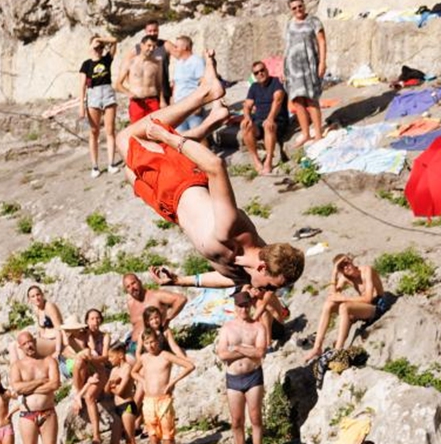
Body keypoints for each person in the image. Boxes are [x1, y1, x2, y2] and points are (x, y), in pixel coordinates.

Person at [116, 54, 305, 290]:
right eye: (270, 286)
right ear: (262, 268)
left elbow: (229, 278)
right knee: (125, 138)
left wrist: (180, 280)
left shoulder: (249, 270)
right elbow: (216, 166)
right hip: (178, 183)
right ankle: (204, 94)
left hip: (169, 208)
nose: (268, 291)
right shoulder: (230, 230)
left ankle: (212, 120)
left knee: (128, 171)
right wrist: (169, 137)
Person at [132, 328, 195, 444]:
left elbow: (190, 365)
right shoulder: (144, 358)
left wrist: (173, 381)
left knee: (168, 442)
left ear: (158, 341)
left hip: (164, 401)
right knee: (153, 443)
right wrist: (142, 380)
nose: (150, 345)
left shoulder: (165, 355)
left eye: (153, 342)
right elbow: (133, 372)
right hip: (149, 402)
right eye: (147, 343)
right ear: (143, 344)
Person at [216, 290, 268, 444]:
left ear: (251, 305)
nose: (243, 309)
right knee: (237, 421)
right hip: (234, 378)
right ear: (235, 307)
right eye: (240, 305)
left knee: (255, 418)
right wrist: (247, 349)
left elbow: (260, 353)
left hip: (253, 375)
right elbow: (222, 354)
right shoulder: (227, 328)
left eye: (246, 305)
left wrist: (237, 348)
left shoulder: (258, 327)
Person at [9, 331, 63, 444]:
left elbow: (55, 384)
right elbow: (17, 388)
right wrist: (40, 383)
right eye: (25, 344)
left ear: (35, 341)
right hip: (27, 415)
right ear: (20, 347)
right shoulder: (17, 366)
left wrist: (29, 389)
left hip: (47, 412)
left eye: (30, 342)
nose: (29, 346)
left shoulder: (48, 361)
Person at [304, 254, 388, 362]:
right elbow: (332, 296)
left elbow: (368, 298)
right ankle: (317, 347)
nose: (346, 268)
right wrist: (334, 273)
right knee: (328, 305)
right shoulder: (345, 277)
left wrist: (343, 298)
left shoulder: (366, 270)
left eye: (346, 264)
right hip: (364, 308)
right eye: (341, 267)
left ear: (351, 261)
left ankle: (338, 350)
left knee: (344, 306)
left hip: (377, 306)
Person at [284, 0, 327, 146]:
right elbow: (287, 47)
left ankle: (318, 134)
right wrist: (284, 70)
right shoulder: (290, 23)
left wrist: (322, 62)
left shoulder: (314, 21)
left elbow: (322, 42)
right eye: (294, 8)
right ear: (291, 10)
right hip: (293, 67)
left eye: (299, 6)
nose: (298, 10)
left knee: (311, 99)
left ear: (304, 5)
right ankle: (306, 133)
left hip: (309, 65)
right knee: (297, 101)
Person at [79, 34, 121, 178]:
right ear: (90, 47)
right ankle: (95, 165)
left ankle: (111, 163)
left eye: (101, 47)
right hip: (93, 96)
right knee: (94, 131)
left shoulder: (107, 59)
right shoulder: (86, 64)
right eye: (96, 47)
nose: (99, 49)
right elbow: (82, 86)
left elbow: (115, 41)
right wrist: (81, 105)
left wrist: (101, 40)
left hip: (108, 94)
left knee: (110, 130)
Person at [68, 308, 110, 444]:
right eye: (92, 318)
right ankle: (77, 392)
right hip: (86, 370)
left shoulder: (105, 337)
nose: (95, 321)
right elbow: (69, 344)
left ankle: (96, 434)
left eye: (97, 318)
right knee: (79, 360)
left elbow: (104, 357)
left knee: (90, 397)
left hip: (99, 368)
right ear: (86, 321)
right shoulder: (82, 335)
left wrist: (92, 357)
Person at [241, 61, 289, 174]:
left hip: (277, 120)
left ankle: (268, 161)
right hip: (259, 121)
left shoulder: (276, 82)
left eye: (262, 70)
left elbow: (277, 101)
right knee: (246, 126)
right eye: (257, 73)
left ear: (267, 70)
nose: (260, 74)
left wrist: (271, 118)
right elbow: (247, 106)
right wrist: (247, 117)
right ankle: (256, 160)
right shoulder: (254, 87)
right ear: (254, 75)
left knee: (268, 125)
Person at [105, 343, 140, 444]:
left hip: (127, 406)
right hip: (117, 407)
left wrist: (113, 386)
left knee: (129, 439)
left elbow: (120, 391)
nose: (109, 359)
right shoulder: (114, 370)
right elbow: (106, 389)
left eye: (111, 356)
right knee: (113, 443)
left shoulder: (127, 368)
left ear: (120, 355)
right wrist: (112, 385)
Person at [123, 272, 186, 346]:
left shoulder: (156, 296)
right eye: (128, 287)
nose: (132, 288)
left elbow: (181, 299)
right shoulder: (130, 303)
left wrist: (167, 319)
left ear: (140, 282)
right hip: (133, 343)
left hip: (152, 344)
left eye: (133, 283)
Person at [118, 34, 164, 123]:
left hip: (153, 101)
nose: (151, 49)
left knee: (155, 129)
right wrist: (128, 92)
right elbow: (118, 84)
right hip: (137, 102)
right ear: (141, 45)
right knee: (136, 131)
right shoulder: (130, 62)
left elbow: (159, 84)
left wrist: (162, 101)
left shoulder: (157, 63)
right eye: (149, 45)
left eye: (154, 47)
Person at [172, 36, 206, 133]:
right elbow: (176, 85)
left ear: (185, 47)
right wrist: (172, 104)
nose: (175, 49)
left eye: (176, 46)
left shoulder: (197, 61)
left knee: (198, 137)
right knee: (180, 138)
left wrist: (199, 105)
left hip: (193, 106)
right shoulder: (179, 63)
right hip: (179, 107)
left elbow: (203, 83)